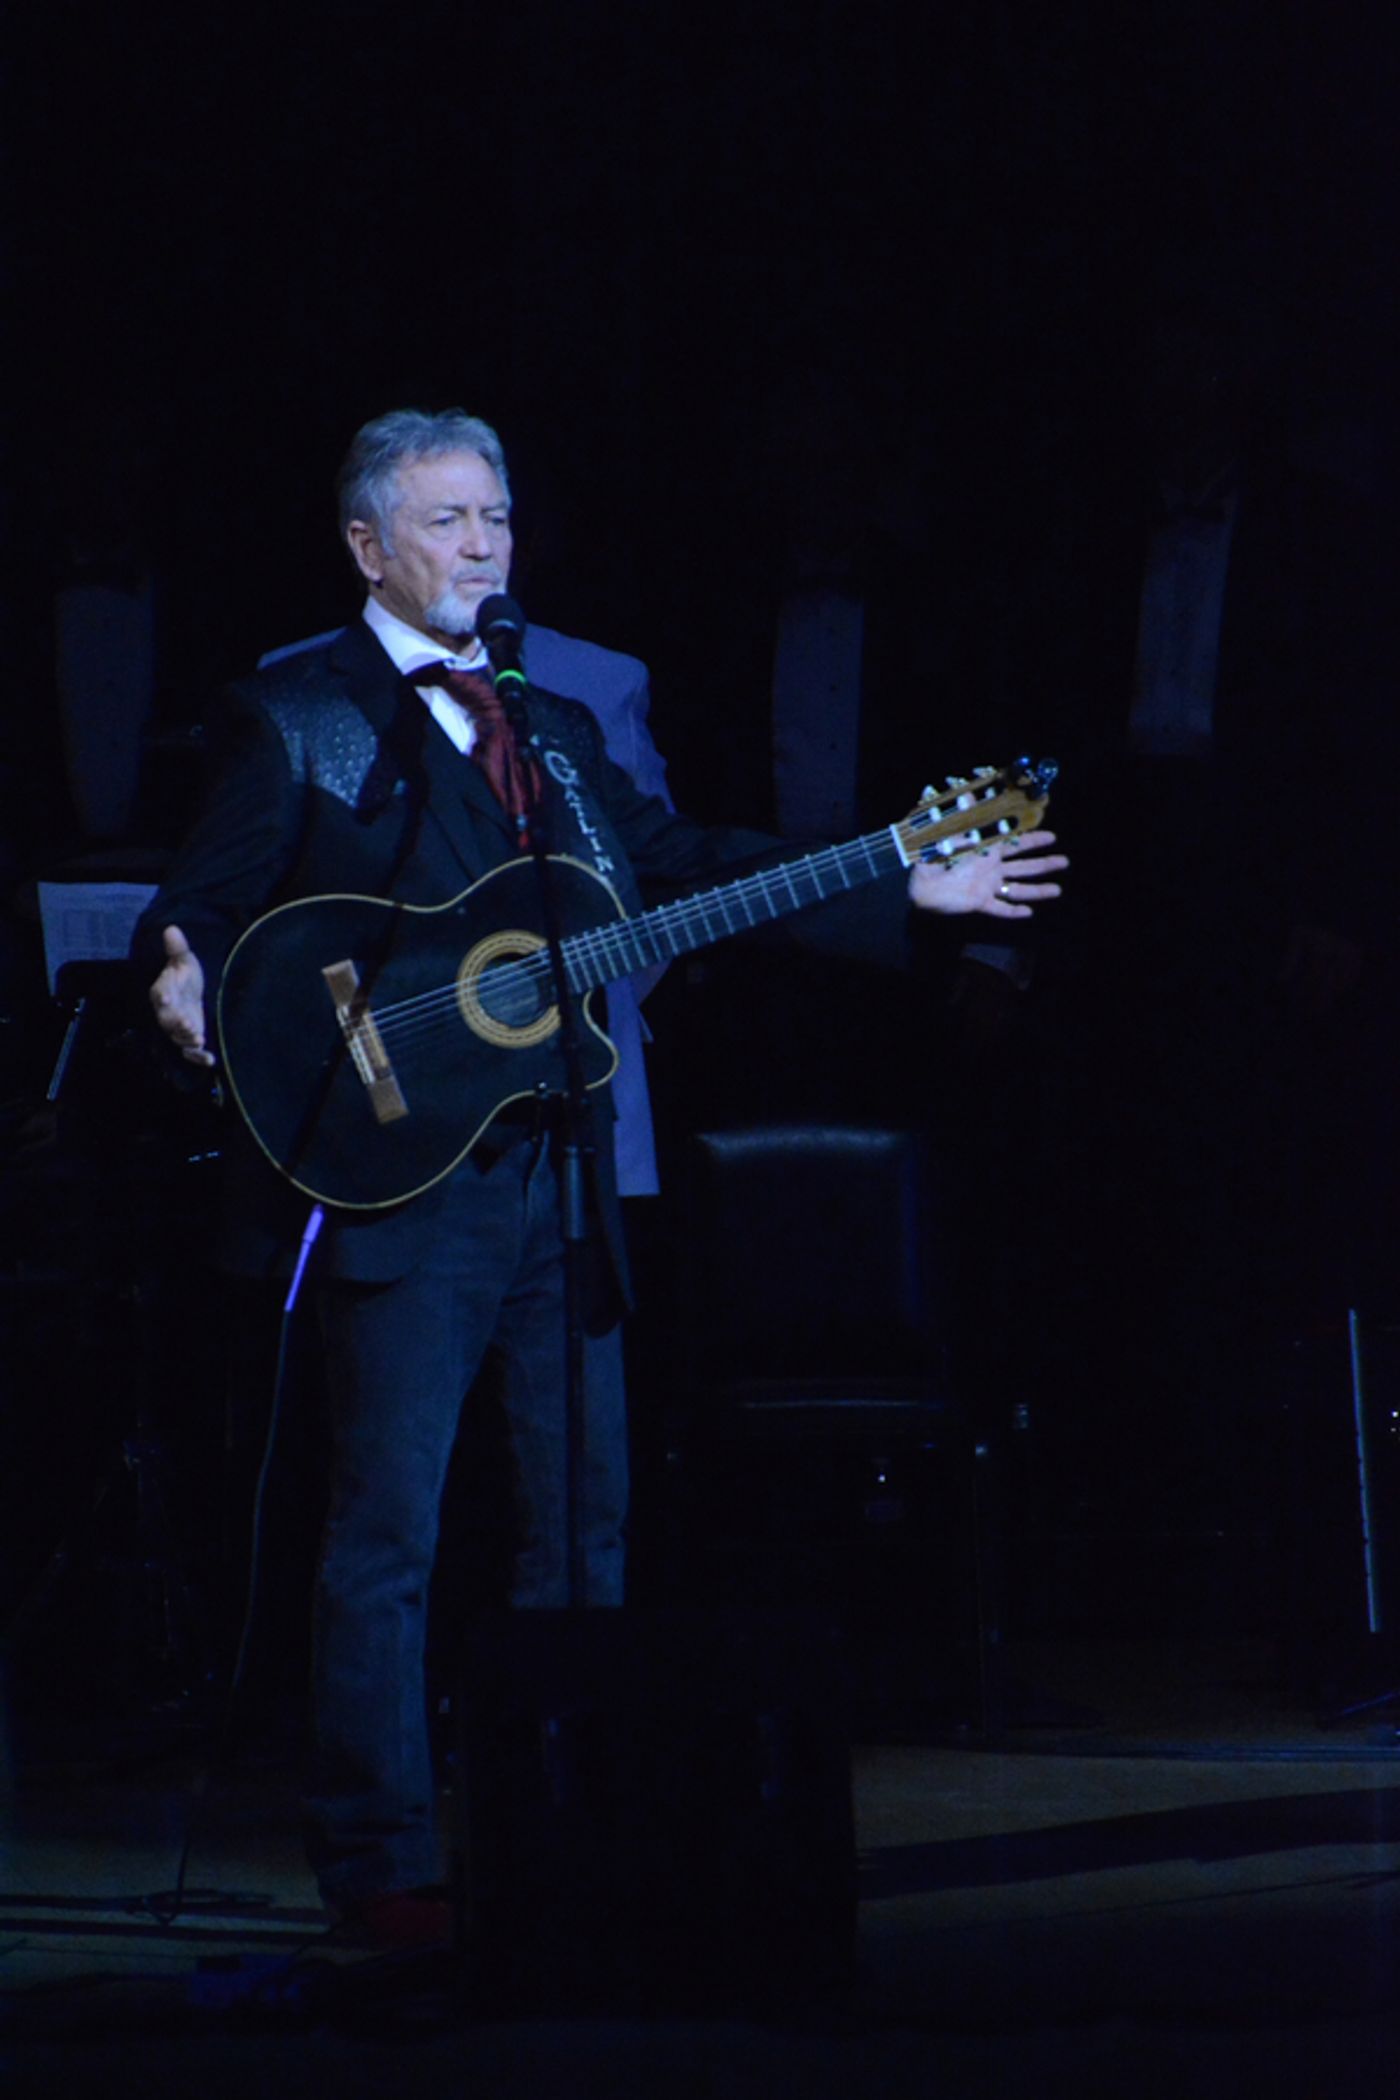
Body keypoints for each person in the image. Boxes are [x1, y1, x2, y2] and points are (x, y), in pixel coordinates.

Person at [134, 406, 1066, 1941]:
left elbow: (680, 863)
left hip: (556, 1179)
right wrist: (181, 966)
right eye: (446, 520)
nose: (482, 545)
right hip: (398, 1176)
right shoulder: (299, 709)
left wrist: (902, 871)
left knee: (589, 1518)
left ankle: (571, 1829)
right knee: (392, 1534)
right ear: (368, 545)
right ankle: (380, 1865)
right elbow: (209, 900)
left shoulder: (550, 725)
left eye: (496, 516)